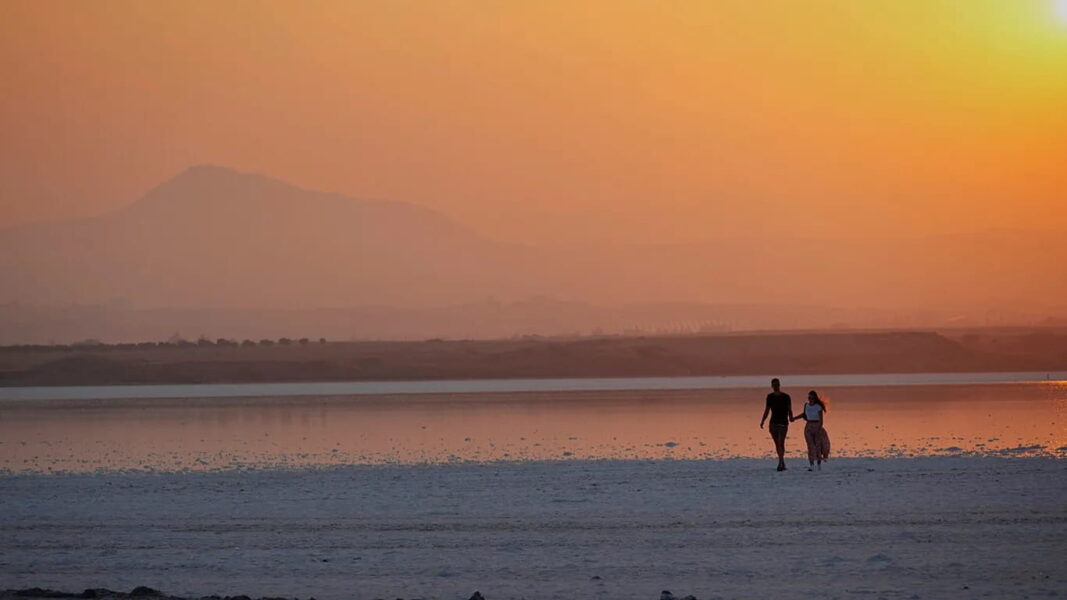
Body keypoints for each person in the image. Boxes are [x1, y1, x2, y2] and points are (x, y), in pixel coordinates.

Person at [759, 378, 795, 471]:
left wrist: (791, 417)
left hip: (783, 423)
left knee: (781, 443)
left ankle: (780, 463)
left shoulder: (786, 397)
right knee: (777, 444)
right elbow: (767, 410)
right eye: (774, 385)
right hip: (773, 423)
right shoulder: (770, 397)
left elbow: (789, 409)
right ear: (772, 386)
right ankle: (782, 462)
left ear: (779, 385)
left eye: (777, 385)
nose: (775, 387)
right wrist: (763, 421)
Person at [792, 390, 830, 471]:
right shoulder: (806, 405)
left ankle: (819, 464)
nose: (810, 399)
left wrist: (819, 429)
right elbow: (804, 415)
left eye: (812, 398)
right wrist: (794, 418)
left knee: (818, 446)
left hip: (817, 426)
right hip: (808, 426)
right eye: (809, 397)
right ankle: (811, 465)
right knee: (810, 446)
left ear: (815, 398)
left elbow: (821, 420)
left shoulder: (818, 407)